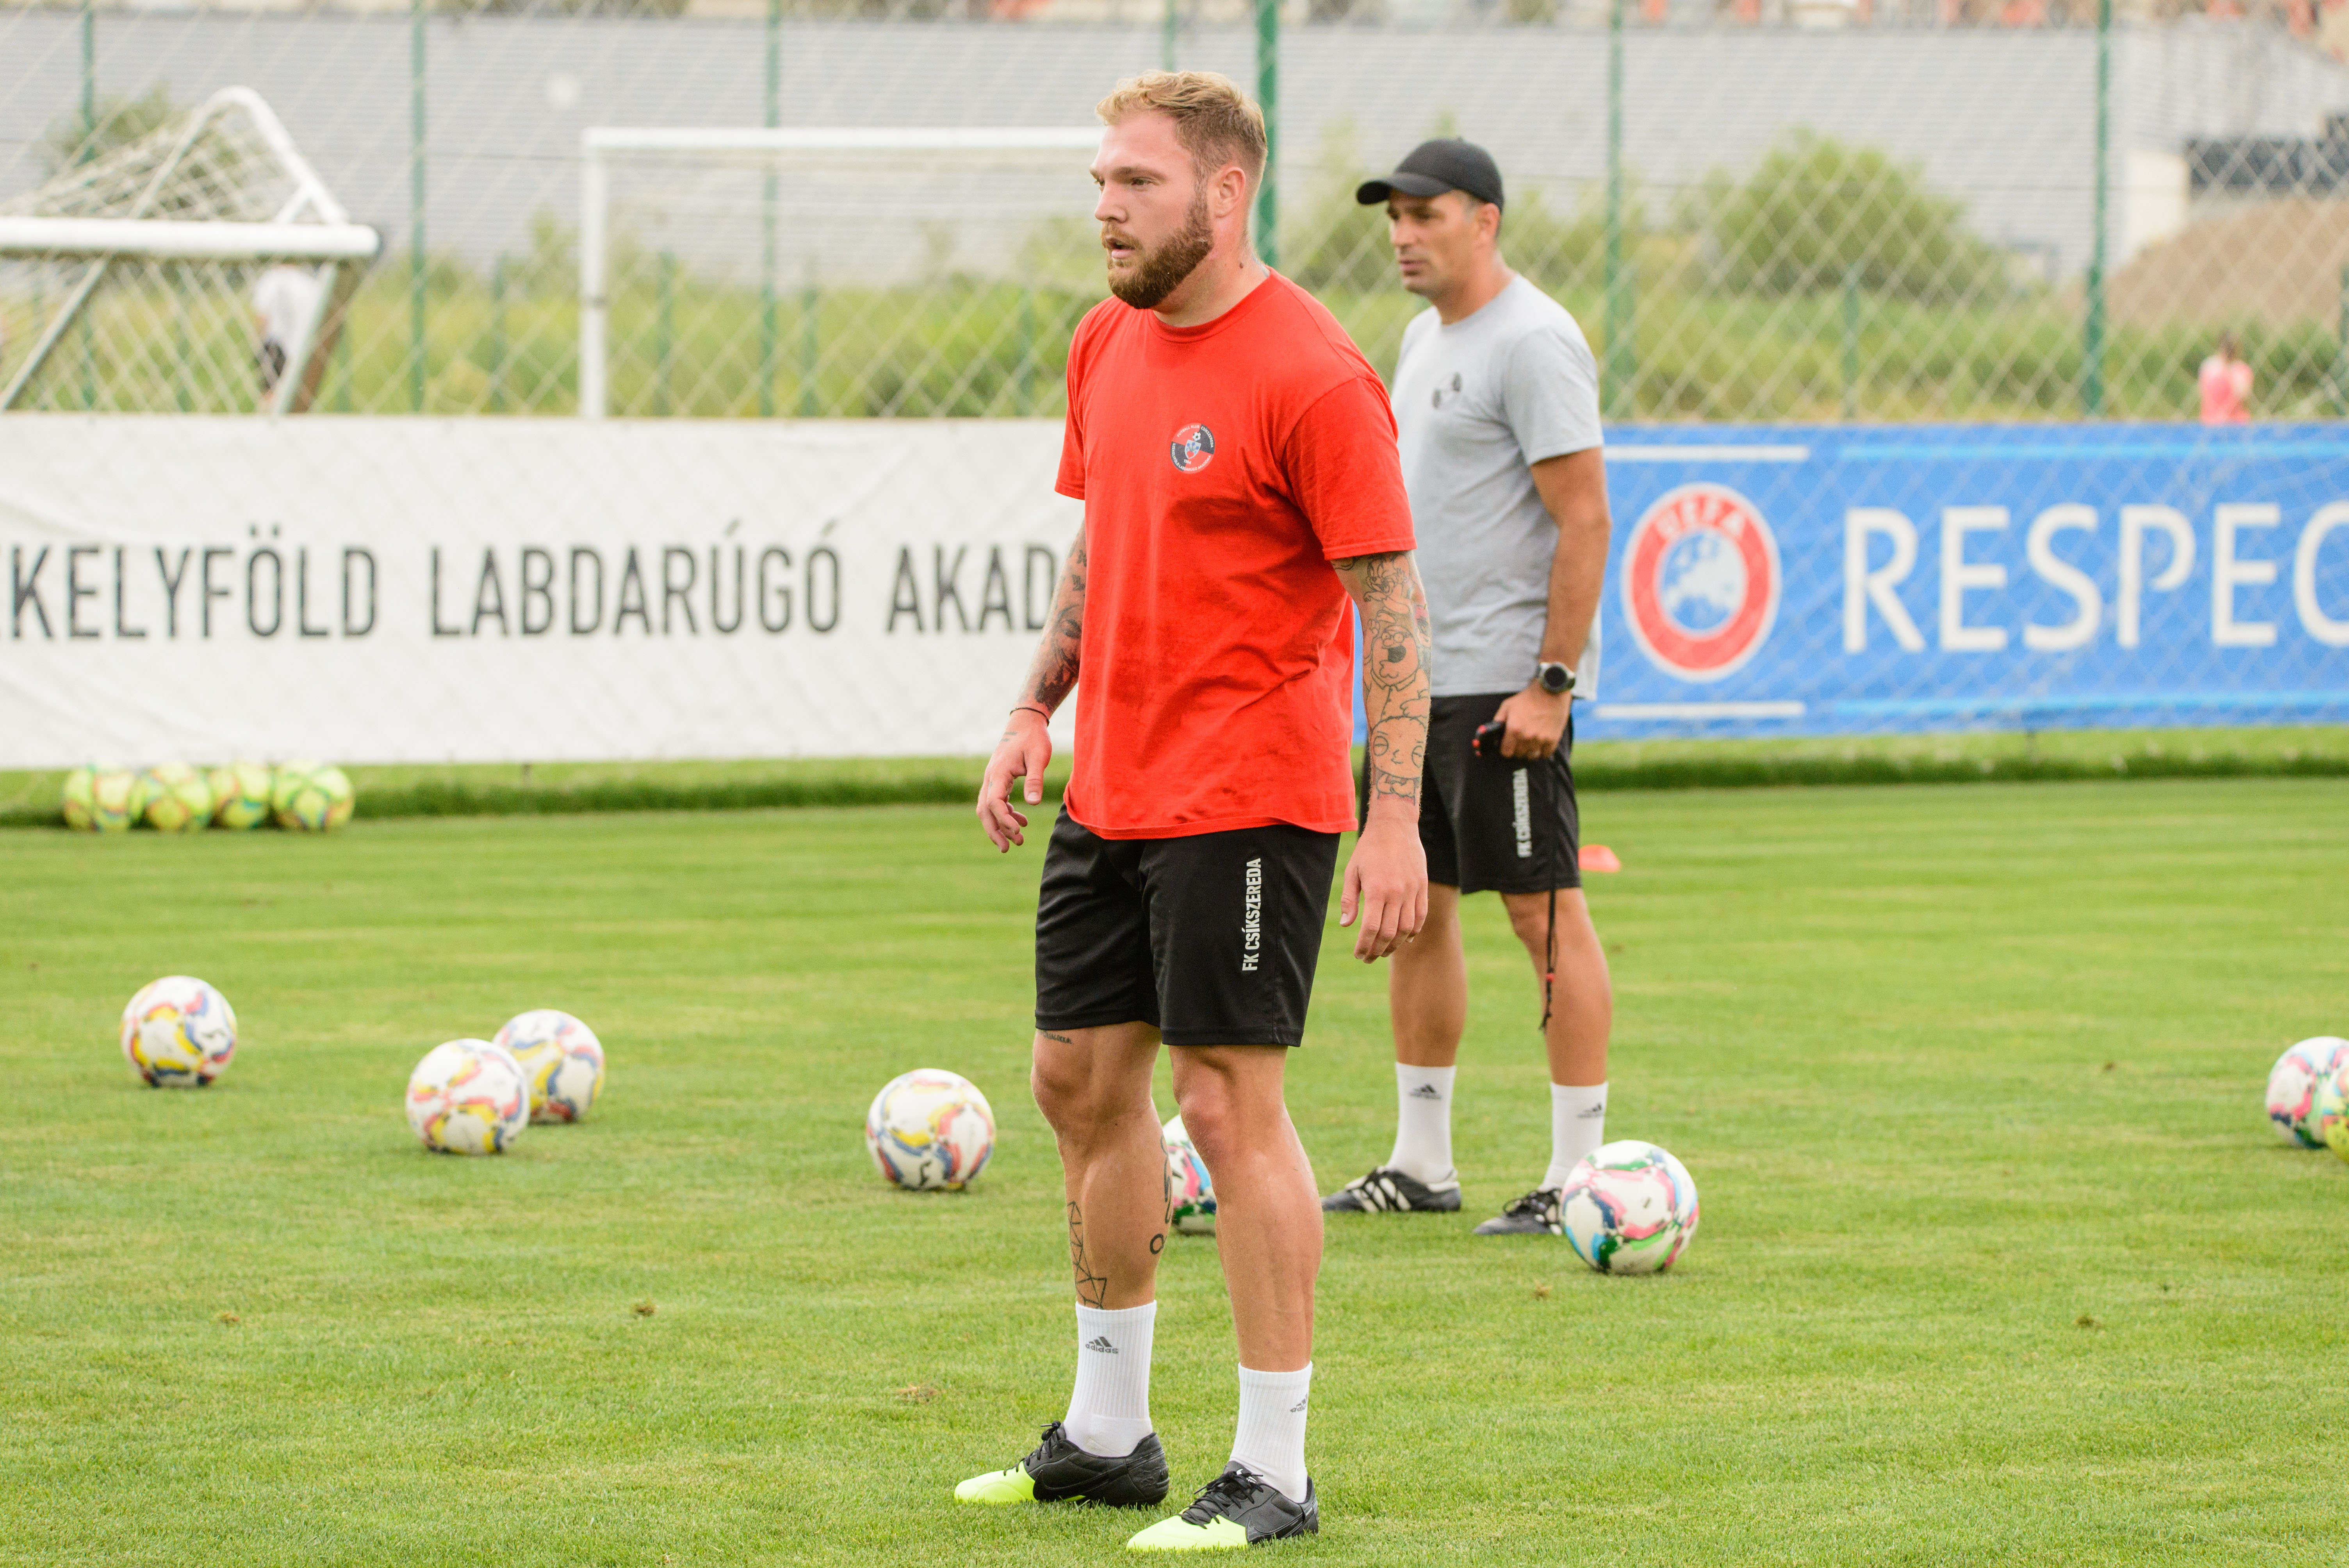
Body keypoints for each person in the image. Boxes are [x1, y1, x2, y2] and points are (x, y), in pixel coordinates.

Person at [961, 70, 1434, 1552]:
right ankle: (1108, 1437)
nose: (1105, 208)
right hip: (1112, 788)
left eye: (1136, 184)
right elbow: (1101, 541)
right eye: (1100, 181)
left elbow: (1390, 607)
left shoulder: (1313, 373)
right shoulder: (1103, 341)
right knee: (1076, 1084)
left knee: (1225, 1104)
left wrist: (1395, 818)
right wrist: (1032, 706)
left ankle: (1274, 1470)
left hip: (1247, 798)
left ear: (1223, 194)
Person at [1318, 138, 1617, 1238]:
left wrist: (1552, 684)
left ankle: (1577, 1173)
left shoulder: (1532, 340)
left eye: (1425, 215)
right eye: (1393, 218)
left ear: (1483, 220)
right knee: (1417, 913)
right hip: (1421, 687)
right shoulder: (1423, 337)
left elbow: (1585, 517)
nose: (1403, 236)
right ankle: (1421, 1162)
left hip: (1503, 691)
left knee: (1543, 914)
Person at [251, 264, 324, 396]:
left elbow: (262, 318)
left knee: (271, 394)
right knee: (300, 396)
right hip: (302, 348)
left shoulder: (269, 281)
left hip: (275, 346)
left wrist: (260, 343)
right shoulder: (310, 284)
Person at [2199, 332, 2252, 425]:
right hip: (2218, 421)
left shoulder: (2240, 370)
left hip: (2229, 421)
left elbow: (2242, 396)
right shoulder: (2210, 367)